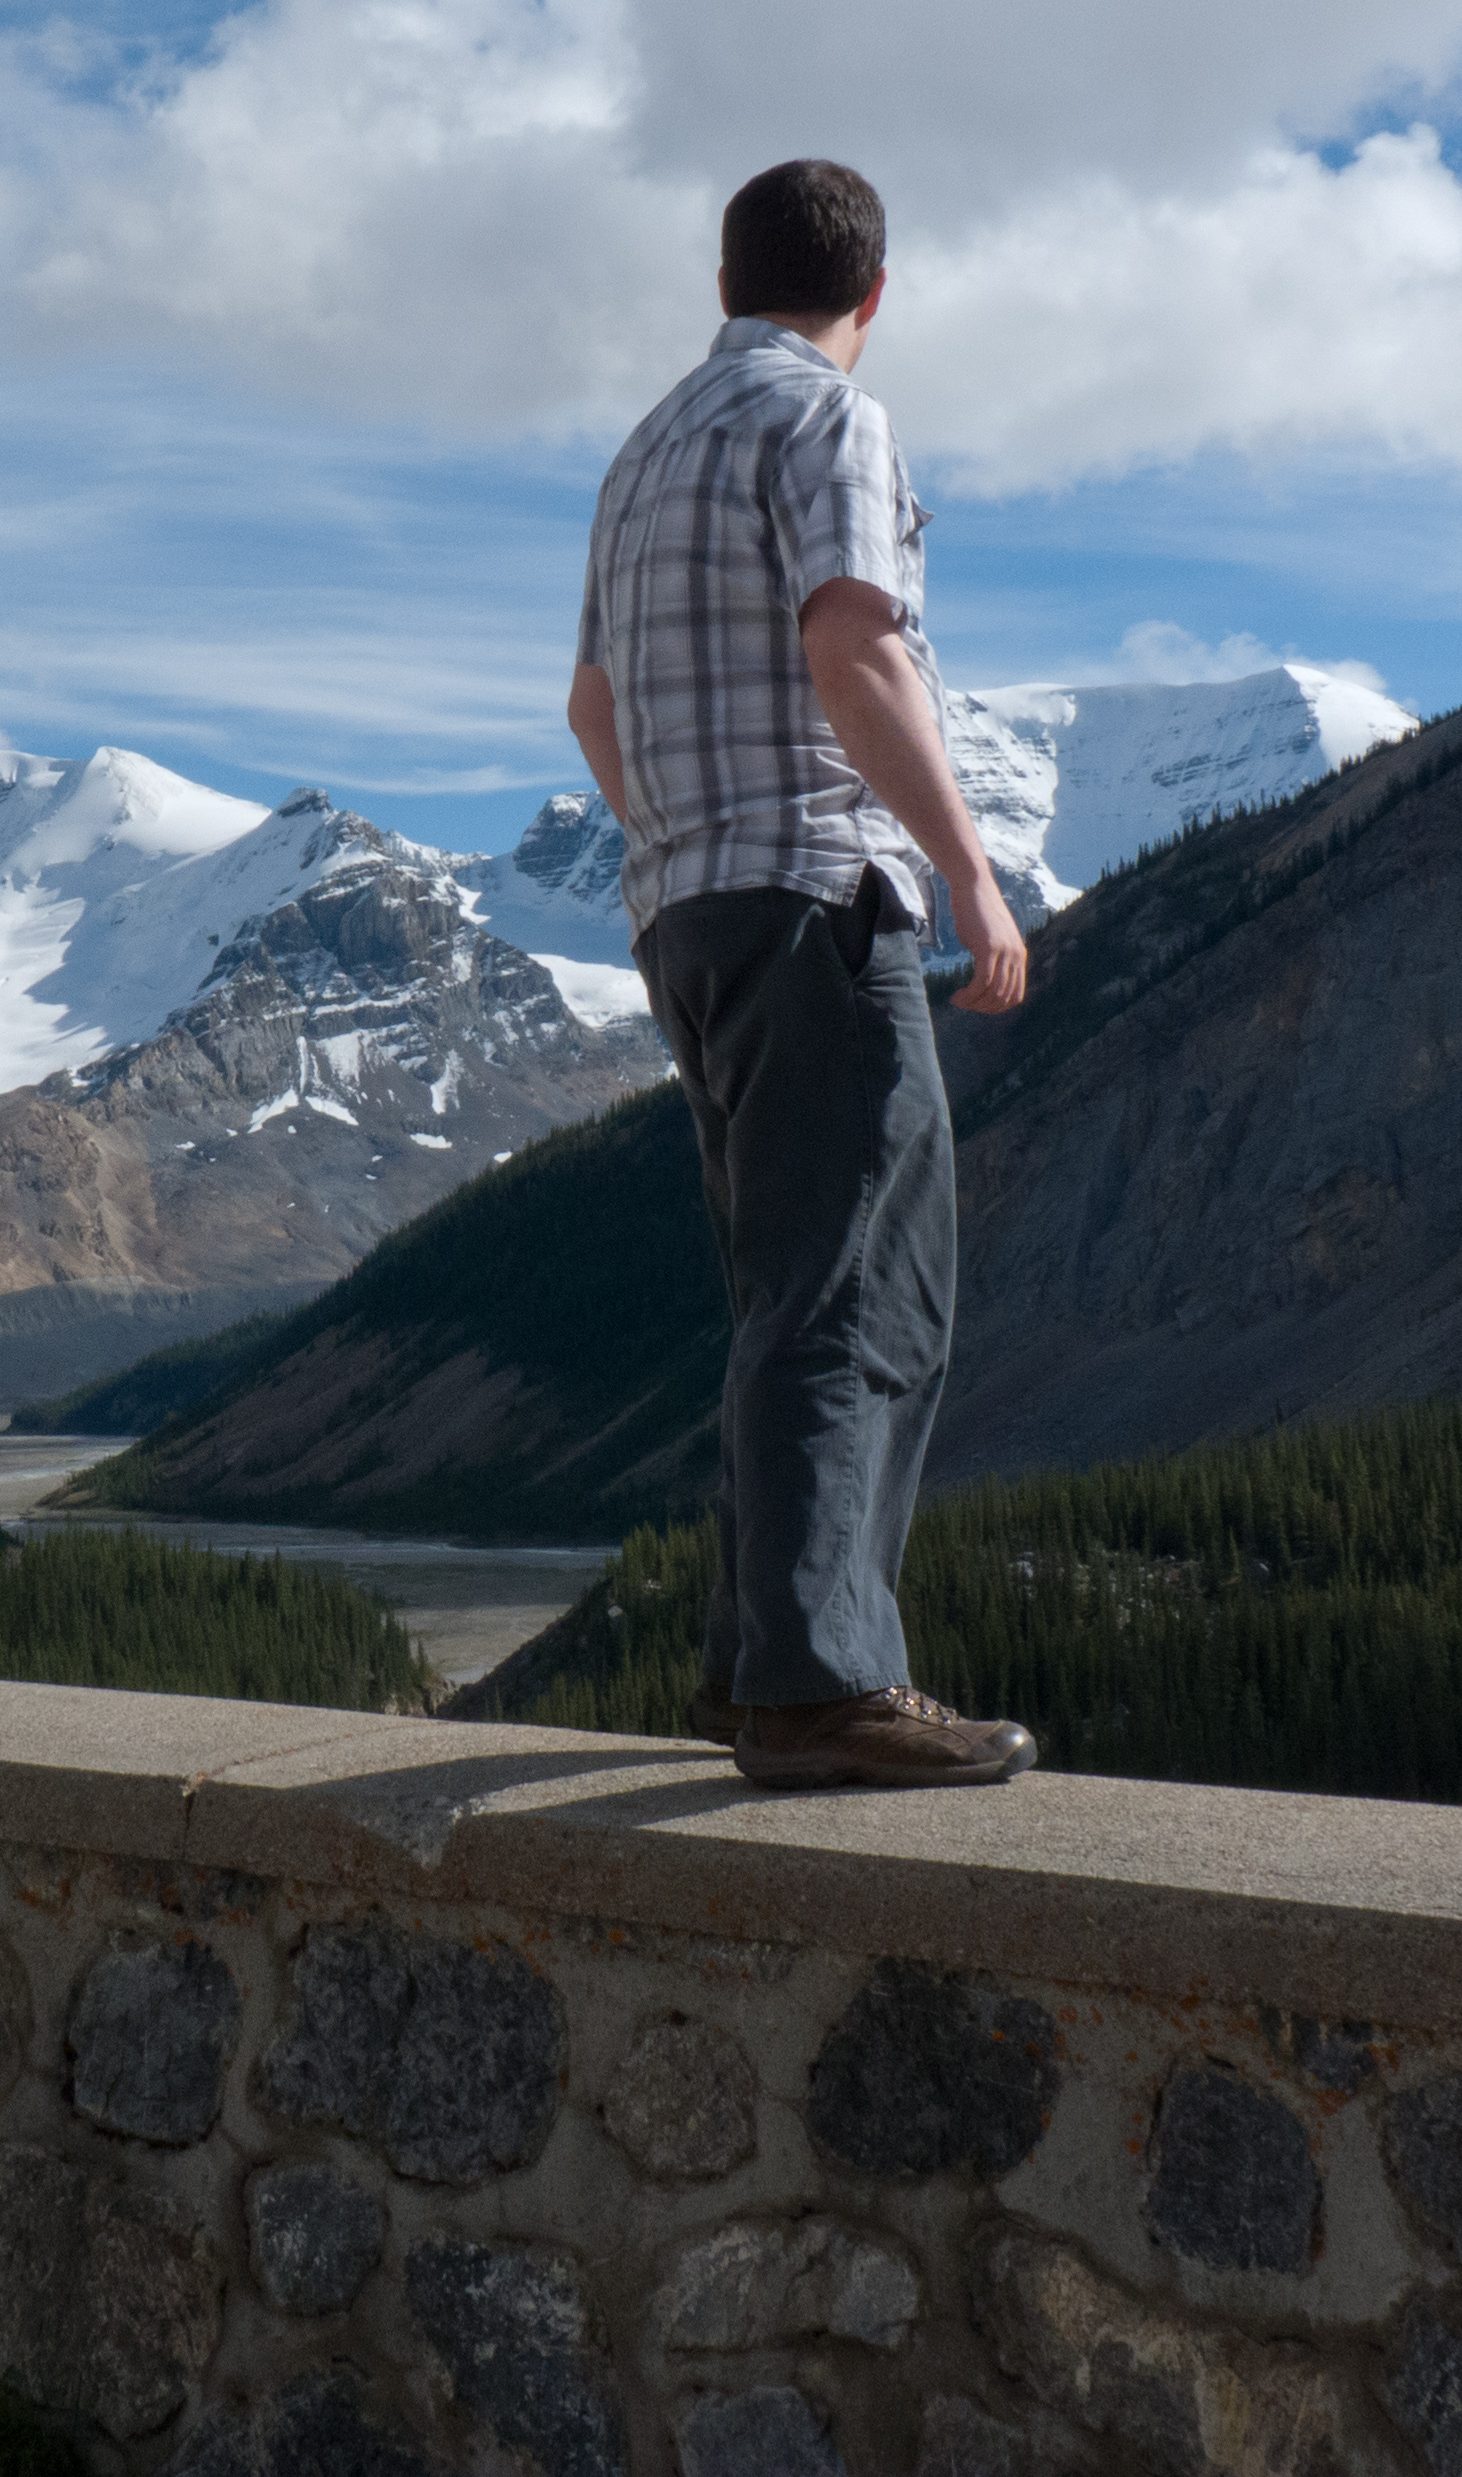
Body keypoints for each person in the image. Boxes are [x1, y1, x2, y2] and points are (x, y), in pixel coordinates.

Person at [566, 158, 1040, 1792]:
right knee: (862, 1285)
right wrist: (969, 875)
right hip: (813, 901)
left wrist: (679, 836)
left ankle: (768, 1667)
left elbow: (591, 709)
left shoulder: (642, 456)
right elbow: (856, 641)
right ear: (874, 293)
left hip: (682, 916)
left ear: (726, 280)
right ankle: (826, 1682)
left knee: (781, 1288)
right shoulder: (832, 421)